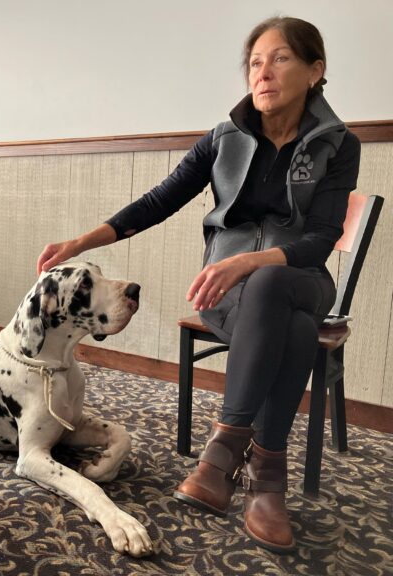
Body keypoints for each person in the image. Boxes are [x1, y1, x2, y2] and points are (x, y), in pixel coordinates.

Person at [36, 16, 360, 553]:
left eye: (279, 59)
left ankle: (223, 451)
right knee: (298, 333)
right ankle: (267, 482)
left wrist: (255, 261)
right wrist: (81, 243)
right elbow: (160, 199)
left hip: (304, 280)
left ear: (314, 70)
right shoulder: (224, 138)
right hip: (231, 298)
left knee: (275, 283)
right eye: (255, 62)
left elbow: (325, 235)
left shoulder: (337, 144)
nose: (264, 72)